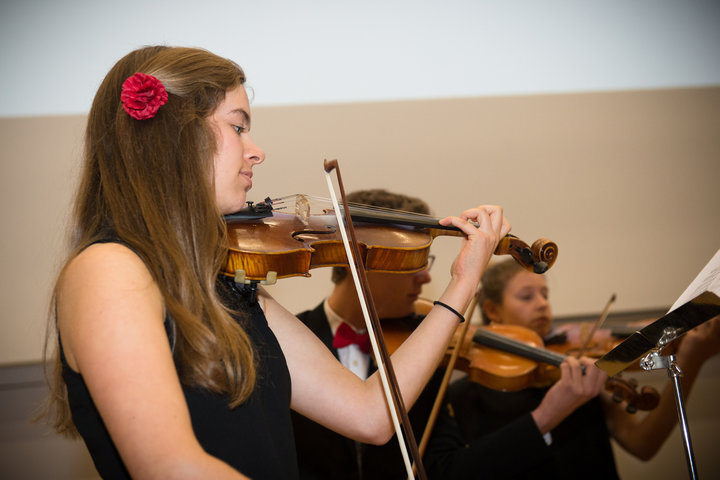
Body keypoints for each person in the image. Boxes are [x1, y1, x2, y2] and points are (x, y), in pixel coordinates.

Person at [39, 45, 511, 479]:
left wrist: (462, 285)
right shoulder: (109, 270)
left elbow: (372, 415)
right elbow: (172, 466)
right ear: (173, 137)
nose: (256, 150)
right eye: (238, 126)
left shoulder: (229, 284)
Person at [423, 259, 720, 480]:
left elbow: (643, 444)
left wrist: (690, 361)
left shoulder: (576, 368)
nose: (542, 305)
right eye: (527, 297)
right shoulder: (464, 393)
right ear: (491, 310)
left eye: (545, 295)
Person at [291, 188, 443, 479]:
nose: (426, 275)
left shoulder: (423, 343)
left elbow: (445, 463)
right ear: (361, 259)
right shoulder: (287, 344)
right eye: (413, 258)